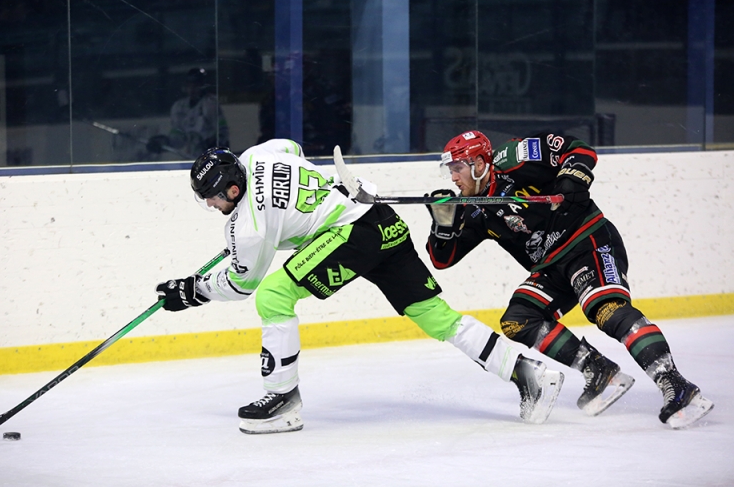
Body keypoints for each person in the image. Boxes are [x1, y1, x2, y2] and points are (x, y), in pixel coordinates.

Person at [154, 139, 565, 434]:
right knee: (437, 318)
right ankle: (528, 373)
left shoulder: (248, 227)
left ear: (232, 188)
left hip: (352, 233)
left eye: (211, 197)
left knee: (274, 295)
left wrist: (193, 290)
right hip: (378, 216)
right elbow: (294, 150)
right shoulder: (259, 154)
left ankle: (282, 400)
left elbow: (243, 284)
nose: (210, 205)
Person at [425, 130, 714, 428]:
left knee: (606, 310)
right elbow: (442, 259)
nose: (453, 178)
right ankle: (598, 369)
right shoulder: (472, 209)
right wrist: (443, 226)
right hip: (550, 267)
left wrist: (573, 177)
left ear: (479, 163)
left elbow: (578, 149)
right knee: (519, 319)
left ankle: (675, 383)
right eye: (451, 170)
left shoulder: (513, 158)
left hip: (585, 240)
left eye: (457, 168)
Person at [147, 67, 229, 158]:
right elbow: (178, 138)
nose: (193, 88)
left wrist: (215, 145)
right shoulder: (179, 107)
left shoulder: (210, 104)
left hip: (210, 159)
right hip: (191, 159)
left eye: (197, 84)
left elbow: (222, 132)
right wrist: (164, 142)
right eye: (190, 84)